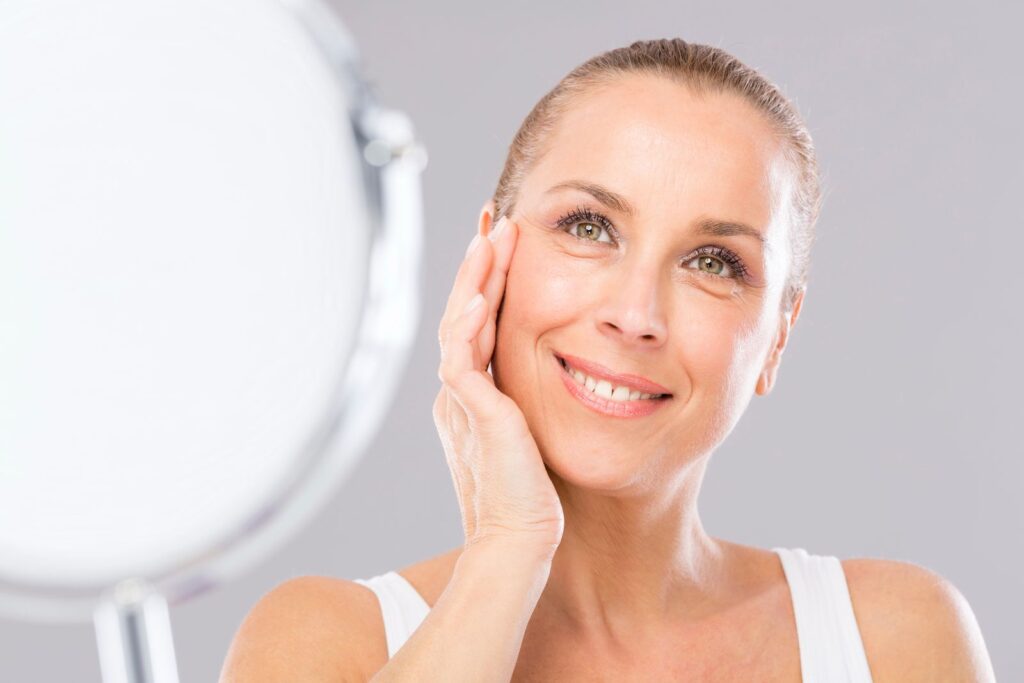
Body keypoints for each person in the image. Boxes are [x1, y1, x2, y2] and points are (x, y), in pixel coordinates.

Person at [219, 38, 996, 682]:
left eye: (714, 263)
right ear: (488, 259)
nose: (635, 314)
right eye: (589, 227)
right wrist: (507, 548)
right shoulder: (323, 642)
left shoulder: (898, 640)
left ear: (777, 338)